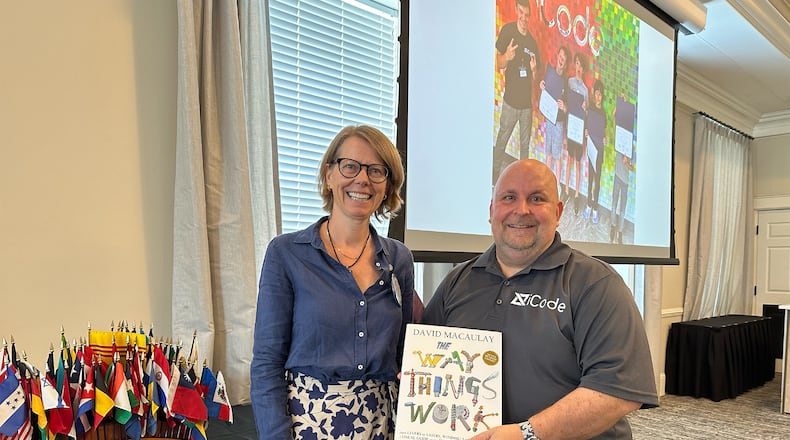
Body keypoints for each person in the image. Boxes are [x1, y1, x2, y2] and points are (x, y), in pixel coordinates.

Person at [421, 159, 658, 439]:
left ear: (557, 212)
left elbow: (617, 392)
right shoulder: (457, 281)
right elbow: (428, 357)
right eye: (509, 197)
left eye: (536, 198)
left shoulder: (596, 283)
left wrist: (527, 434)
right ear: (492, 211)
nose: (521, 210)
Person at [250, 125, 414, 439]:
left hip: (382, 426)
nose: (362, 179)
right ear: (330, 174)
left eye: (376, 170)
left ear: (387, 184)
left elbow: (404, 354)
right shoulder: (286, 254)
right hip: (306, 426)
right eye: (350, 166)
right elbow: (267, 363)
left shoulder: (400, 259)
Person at [493, 0, 541, 183]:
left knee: (524, 147)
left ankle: (523, 182)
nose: (524, 18)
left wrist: (534, 70)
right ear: (516, 11)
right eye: (521, 12)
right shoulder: (508, 31)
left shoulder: (532, 43)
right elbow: (499, 63)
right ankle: (494, 177)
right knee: (502, 141)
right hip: (510, 102)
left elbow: (535, 78)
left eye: (527, 15)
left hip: (526, 106)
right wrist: (507, 56)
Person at [540, 46, 569, 188]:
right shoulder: (549, 74)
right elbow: (545, 94)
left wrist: (564, 107)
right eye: (561, 57)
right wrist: (542, 86)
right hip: (549, 120)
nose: (561, 60)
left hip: (558, 122)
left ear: (566, 63)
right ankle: (546, 182)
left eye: (564, 59)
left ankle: (557, 187)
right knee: (549, 153)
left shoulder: (566, 83)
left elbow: (568, 108)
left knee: (557, 156)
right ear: (557, 56)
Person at [564, 52, 590, 212]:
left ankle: (576, 195)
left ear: (584, 68)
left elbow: (587, 113)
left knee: (578, 163)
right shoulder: (569, 82)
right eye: (577, 64)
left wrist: (585, 109)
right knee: (568, 160)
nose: (579, 67)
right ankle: (566, 190)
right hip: (570, 125)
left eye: (581, 65)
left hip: (579, 129)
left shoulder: (586, 90)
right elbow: (565, 102)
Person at [584, 79, 605, 224]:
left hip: (600, 150)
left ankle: (596, 208)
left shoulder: (603, 114)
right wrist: (586, 132)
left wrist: (604, 139)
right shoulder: (590, 109)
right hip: (591, 148)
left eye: (600, 94)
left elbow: (603, 132)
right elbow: (587, 126)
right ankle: (588, 204)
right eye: (596, 93)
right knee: (590, 179)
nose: (598, 97)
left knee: (597, 180)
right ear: (594, 94)